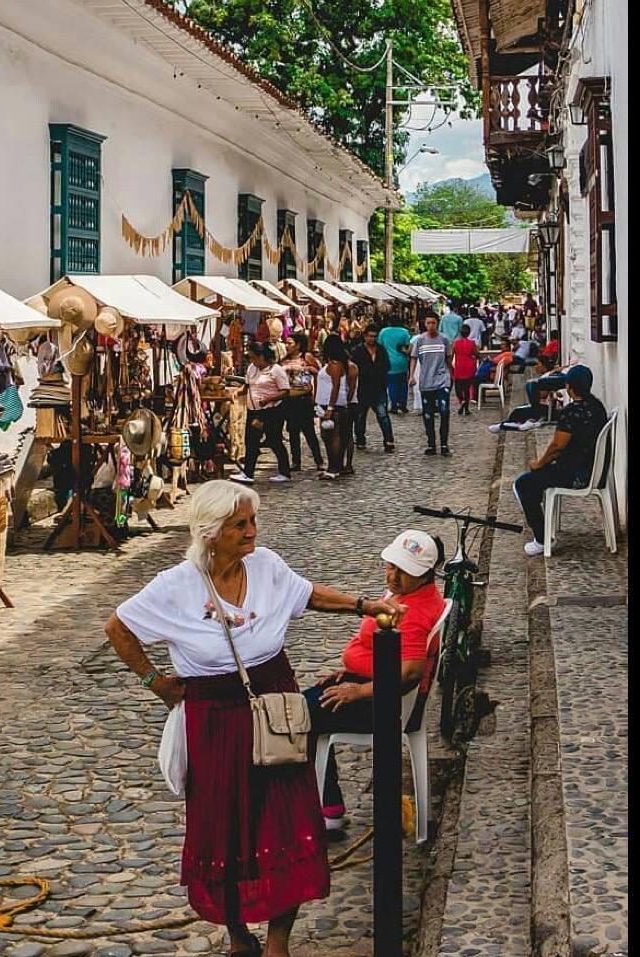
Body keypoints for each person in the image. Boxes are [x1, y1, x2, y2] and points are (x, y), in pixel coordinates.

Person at [103, 481, 405, 957]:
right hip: (214, 720)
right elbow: (118, 627)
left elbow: (309, 595)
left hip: (276, 713)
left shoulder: (265, 566)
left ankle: (279, 943)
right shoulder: (175, 586)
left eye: (252, 521)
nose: (251, 532)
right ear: (210, 532)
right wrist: (154, 681)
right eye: (239, 524)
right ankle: (239, 936)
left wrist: (366, 605)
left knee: (289, 822)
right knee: (224, 828)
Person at [305, 528, 447, 830]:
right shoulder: (404, 595)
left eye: (404, 571)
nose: (393, 576)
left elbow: (409, 673)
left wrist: (359, 690)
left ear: (424, 575)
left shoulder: (415, 611)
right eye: (391, 566)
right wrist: (353, 671)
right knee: (302, 703)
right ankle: (324, 803)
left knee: (301, 716)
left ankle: (327, 809)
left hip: (386, 705)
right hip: (370, 685)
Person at [513, 365, 609, 556]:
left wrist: (539, 464)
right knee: (536, 481)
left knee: (523, 484)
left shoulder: (572, 411)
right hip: (594, 471)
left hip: (574, 474)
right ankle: (541, 513)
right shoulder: (597, 407)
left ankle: (542, 538)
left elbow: (557, 447)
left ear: (570, 387)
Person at [232, 343, 292, 485]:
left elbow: (285, 391)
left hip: (270, 411)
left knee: (274, 441)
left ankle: (284, 472)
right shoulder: (252, 368)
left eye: (254, 357)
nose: (252, 361)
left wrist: (269, 399)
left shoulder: (276, 370)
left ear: (262, 357)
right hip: (253, 410)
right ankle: (248, 473)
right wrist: (238, 392)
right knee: (251, 441)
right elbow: (247, 385)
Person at [409, 313, 454, 456]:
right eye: (428, 323)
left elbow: (449, 358)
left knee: (444, 411)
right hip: (426, 382)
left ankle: (444, 444)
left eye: (433, 323)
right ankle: (431, 443)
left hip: (442, 380)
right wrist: (411, 376)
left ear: (437, 323)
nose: (431, 326)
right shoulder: (420, 340)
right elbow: (414, 359)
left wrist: (450, 375)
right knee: (427, 414)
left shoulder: (444, 340)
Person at [281, 331, 325, 472]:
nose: (287, 346)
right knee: (293, 431)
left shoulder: (307, 357)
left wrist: (316, 394)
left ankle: (319, 460)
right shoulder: (284, 360)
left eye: (290, 343)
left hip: (304, 399)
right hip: (289, 399)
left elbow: (319, 374)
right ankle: (296, 461)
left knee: (309, 431)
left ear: (298, 345)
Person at [316, 334, 357, 479]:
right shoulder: (336, 364)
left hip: (332, 404)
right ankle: (334, 466)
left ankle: (333, 468)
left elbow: (336, 386)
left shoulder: (335, 365)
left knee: (332, 436)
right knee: (330, 435)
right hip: (328, 403)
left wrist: (330, 408)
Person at [351, 326, 394, 452]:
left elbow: (387, 365)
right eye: (370, 336)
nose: (372, 338)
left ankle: (388, 440)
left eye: (375, 336)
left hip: (379, 387)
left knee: (383, 415)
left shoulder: (381, 350)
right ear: (365, 336)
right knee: (360, 416)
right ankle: (360, 440)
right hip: (363, 388)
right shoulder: (357, 351)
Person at [376, 315, 413, 414]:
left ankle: (394, 405)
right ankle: (403, 405)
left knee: (392, 384)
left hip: (388, 362)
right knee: (403, 384)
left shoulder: (383, 332)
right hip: (402, 362)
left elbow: (379, 345)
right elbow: (408, 345)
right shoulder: (404, 332)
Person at [451, 324, 479, 416]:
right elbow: (476, 354)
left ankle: (461, 400)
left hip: (459, 366)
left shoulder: (455, 343)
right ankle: (466, 409)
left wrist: (450, 367)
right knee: (466, 389)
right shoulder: (472, 343)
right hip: (469, 367)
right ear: (469, 333)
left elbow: (451, 356)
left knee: (458, 388)